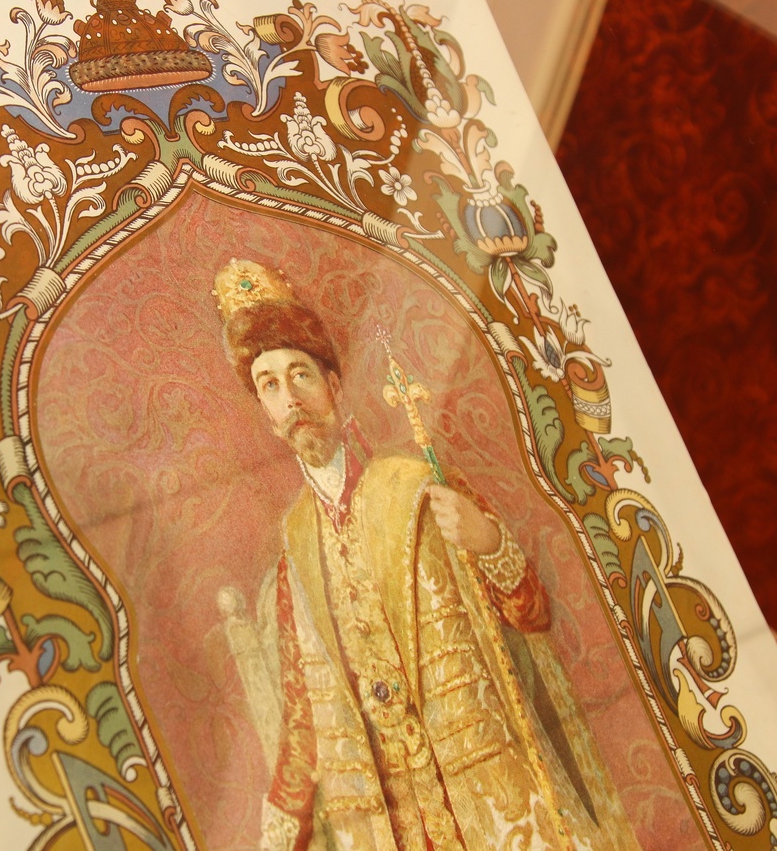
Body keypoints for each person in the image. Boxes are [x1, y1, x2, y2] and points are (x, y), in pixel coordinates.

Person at [213, 259, 637, 850]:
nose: (291, 400)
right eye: (269, 386)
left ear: (334, 385)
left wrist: (488, 542)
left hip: (493, 803)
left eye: (300, 375)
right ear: (264, 412)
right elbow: (304, 730)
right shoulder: (294, 555)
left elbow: (533, 612)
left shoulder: (419, 486)